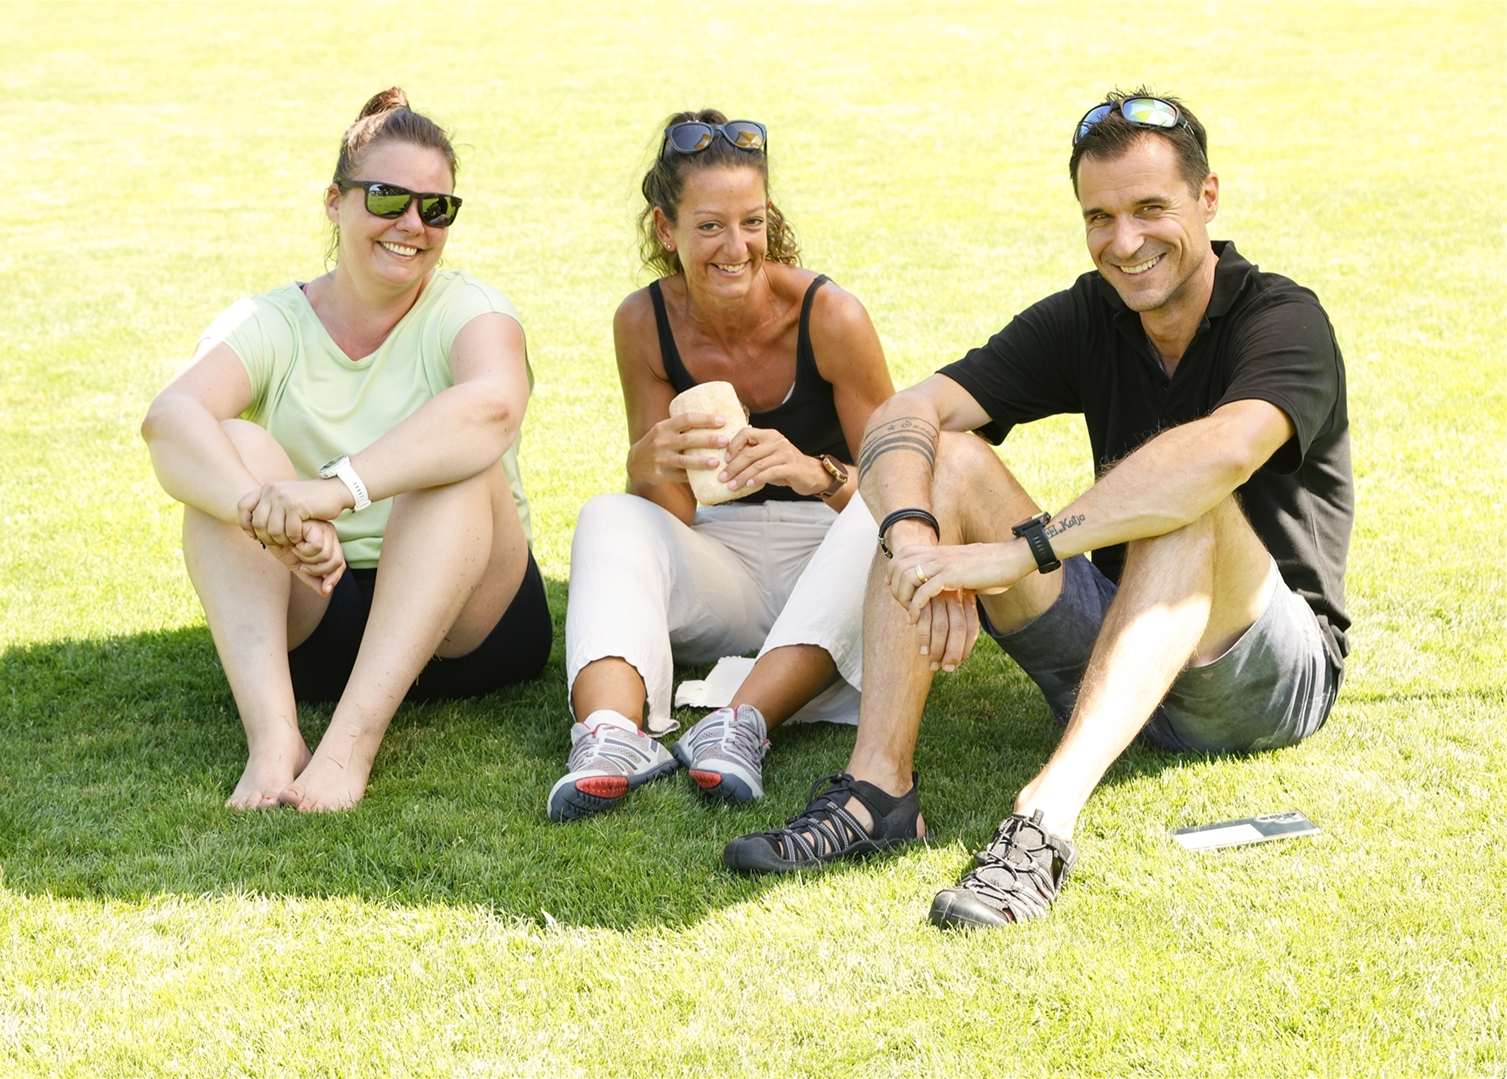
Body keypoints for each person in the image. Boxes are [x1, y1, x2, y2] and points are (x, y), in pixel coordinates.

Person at [724, 90, 1353, 931]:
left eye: (1150, 208)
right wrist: (914, 541)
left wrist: (1021, 552)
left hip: (1258, 676)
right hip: (1118, 650)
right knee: (948, 456)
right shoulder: (1092, 314)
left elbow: (1222, 454)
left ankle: (1041, 822)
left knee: (1189, 502)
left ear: (1207, 198)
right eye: (1099, 217)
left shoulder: (1282, 317)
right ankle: (877, 792)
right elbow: (907, 412)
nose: (1123, 242)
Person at [143, 88, 550, 812]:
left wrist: (332, 492)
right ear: (335, 203)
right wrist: (265, 512)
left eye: (436, 208)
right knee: (228, 446)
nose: (413, 225)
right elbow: (169, 419)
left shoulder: (472, 310)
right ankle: (275, 738)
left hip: (469, 627)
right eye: (388, 198)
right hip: (317, 610)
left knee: (459, 465)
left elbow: (492, 405)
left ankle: (347, 749)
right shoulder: (270, 320)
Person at [548, 111, 896, 822]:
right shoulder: (643, 321)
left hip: (829, 561)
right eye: (709, 226)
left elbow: (901, 491)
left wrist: (816, 473)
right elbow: (671, 514)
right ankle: (611, 737)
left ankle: (739, 723)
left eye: (751, 222)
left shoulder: (830, 316)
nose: (736, 248)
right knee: (609, 513)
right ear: (665, 229)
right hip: (721, 562)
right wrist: (646, 462)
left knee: (878, 520)